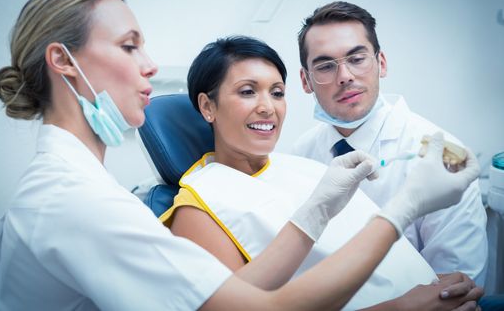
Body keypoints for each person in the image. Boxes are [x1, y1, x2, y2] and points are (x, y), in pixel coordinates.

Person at [0, 0, 478, 311]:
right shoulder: (76, 201)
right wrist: (405, 207)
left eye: (277, 92)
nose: (152, 65)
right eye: (129, 45)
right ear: (63, 61)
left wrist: (317, 209)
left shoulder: (84, 187)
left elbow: (239, 290)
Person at [162, 36, 483, 310]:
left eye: (276, 92)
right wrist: (398, 307)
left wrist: (434, 286)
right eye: (248, 91)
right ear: (207, 107)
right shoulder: (199, 208)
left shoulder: (301, 166)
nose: (268, 107)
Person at [292, 1, 488, 286]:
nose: (345, 76)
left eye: (357, 59)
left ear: (381, 63)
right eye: (325, 66)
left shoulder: (441, 157)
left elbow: (457, 286)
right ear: (306, 81)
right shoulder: (302, 153)